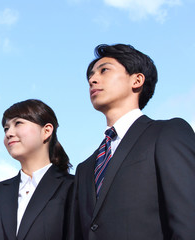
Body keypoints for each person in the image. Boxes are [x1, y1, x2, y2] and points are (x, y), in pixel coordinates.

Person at [71, 44, 195, 239]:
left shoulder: (167, 133)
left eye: (104, 70)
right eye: (90, 76)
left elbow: (188, 220)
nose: (92, 80)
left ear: (137, 80)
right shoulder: (84, 169)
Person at [0, 99, 74, 240]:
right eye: (6, 128)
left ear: (46, 130)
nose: (9, 133)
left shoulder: (74, 187)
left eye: (18, 123)